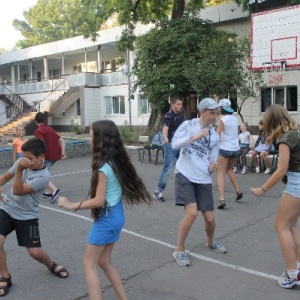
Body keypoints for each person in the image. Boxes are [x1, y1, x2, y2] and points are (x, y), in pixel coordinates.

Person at [57, 120, 152, 300]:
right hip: (116, 216)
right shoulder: (114, 161)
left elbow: (99, 200)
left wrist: (70, 204)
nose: (88, 139)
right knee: (104, 261)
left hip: (107, 219)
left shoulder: (103, 168)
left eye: (91, 135)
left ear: (101, 139)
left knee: (88, 263)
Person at [0, 138, 69, 297]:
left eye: (30, 159)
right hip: (7, 208)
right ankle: (5, 276)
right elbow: (4, 178)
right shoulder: (22, 162)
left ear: (41, 157)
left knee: (35, 253)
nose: (25, 161)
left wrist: (19, 171)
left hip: (27, 217)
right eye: (24, 157)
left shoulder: (44, 177)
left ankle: (51, 265)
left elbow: (18, 190)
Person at [171, 98, 227, 266]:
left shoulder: (214, 136)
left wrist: (212, 165)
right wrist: (194, 137)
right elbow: (174, 145)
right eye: (212, 113)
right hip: (185, 174)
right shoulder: (188, 125)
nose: (214, 117)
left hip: (203, 177)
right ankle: (179, 250)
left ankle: (210, 242)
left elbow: (212, 158)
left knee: (210, 219)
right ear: (202, 112)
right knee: (192, 213)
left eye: (216, 113)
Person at [250, 104, 300, 289]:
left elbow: (281, 170)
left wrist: (262, 189)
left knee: (281, 226)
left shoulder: (286, 138)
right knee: (291, 225)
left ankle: (292, 273)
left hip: (296, 184)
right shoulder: (296, 132)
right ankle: (297, 268)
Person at [153, 97, 185, 202]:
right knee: (167, 168)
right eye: (178, 104)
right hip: (170, 145)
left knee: (184, 167)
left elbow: (184, 129)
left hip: (179, 145)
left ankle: (184, 191)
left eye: (181, 104)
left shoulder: (181, 117)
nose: (180, 106)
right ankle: (158, 192)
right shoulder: (168, 116)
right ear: (172, 105)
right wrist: (165, 137)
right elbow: (165, 128)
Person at [216, 99, 243, 209]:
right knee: (229, 169)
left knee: (220, 173)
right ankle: (238, 190)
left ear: (222, 108)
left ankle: (222, 199)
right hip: (235, 148)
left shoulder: (223, 120)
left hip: (225, 148)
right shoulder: (235, 118)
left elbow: (217, 135)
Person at [34, 112, 67, 203]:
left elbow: (42, 143)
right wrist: (63, 153)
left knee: (41, 174)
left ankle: (55, 190)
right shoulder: (50, 129)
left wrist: (41, 156)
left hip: (48, 155)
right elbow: (61, 140)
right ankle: (49, 192)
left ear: (36, 121)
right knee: (46, 172)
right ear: (44, 120)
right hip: (56, 154)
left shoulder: (39, 130)